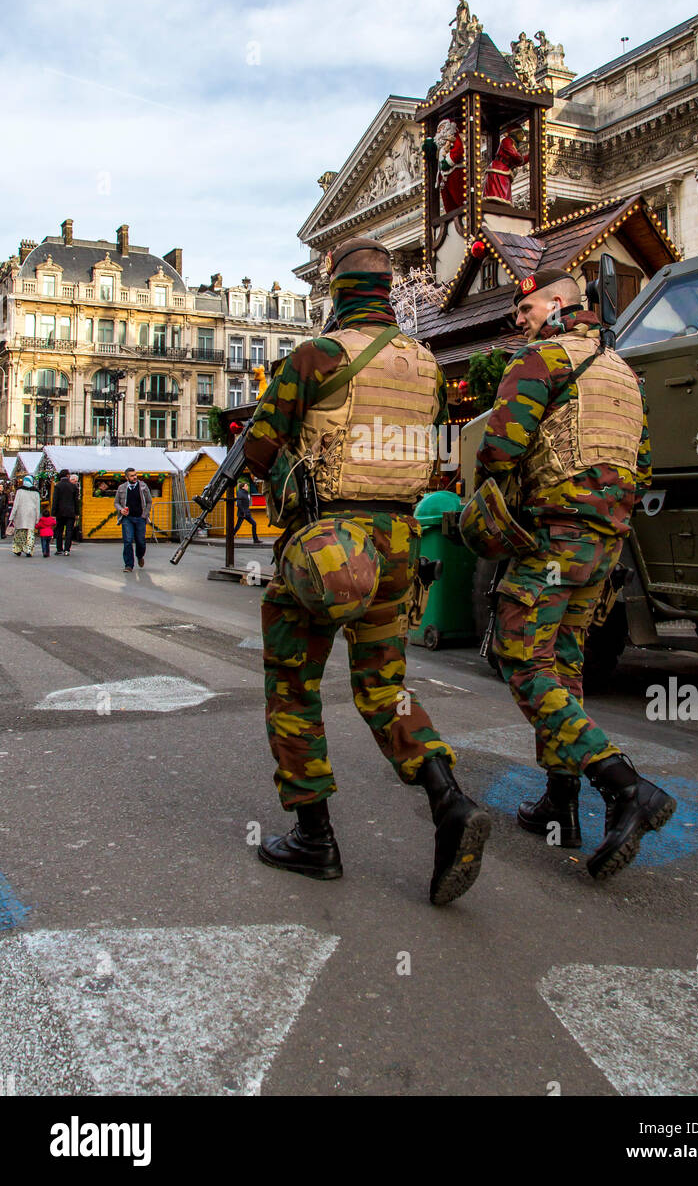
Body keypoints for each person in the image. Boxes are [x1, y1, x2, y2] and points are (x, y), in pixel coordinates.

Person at [243, 235, 490, 906]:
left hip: (329, 544)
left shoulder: (315, 355)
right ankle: (449, 801)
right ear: (385, 289)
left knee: (293, 687)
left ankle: (313, 837)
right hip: (400, 545)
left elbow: (262, 449)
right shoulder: (425, 363)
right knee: (384, 689)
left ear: (335, 285)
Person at [460, 267, 675, 879]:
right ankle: (561, 802)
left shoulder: (541, 361)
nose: (518, 320)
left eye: (525, 308)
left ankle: (623, 784)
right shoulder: (625, 374)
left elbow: (498, 448)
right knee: (565, 663)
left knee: (522, 659)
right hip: (606, 544)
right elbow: (646, 464)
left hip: (553, 540)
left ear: (556, 303)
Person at [114, 467, 152, 573]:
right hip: (127, 518)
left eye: (135, 475)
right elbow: (116, 502)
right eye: (132, 475)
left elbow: (149, 501)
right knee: (128, 541)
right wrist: (121, 510)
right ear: (127, 477)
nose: (135, 477)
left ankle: (140, 556)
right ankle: (128, 565)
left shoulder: (143, 486)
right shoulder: (121, 488)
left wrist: (145, 514)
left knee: (140, 541)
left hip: (140, 518)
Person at [8, 476, 41, 557]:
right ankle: (28, 549)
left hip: (20, 514)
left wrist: (11, 517)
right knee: (30, 532)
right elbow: (38, 506)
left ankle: (17, 549)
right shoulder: (36, 492)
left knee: (19, 532)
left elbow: (15, 505)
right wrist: (37, 518)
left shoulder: (20, 491)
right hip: (31, 514)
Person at [51, 468, 80, 555]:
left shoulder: (58, 486)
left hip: (60, 512)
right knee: (69, 531)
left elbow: (55, 500)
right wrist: (77, 512)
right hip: (71, 512)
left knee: (59, 530)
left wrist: (53, 513)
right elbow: (76, 501)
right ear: (67, 476)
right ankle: (67, 549)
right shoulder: (73, 486)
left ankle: (59, 549)